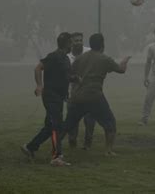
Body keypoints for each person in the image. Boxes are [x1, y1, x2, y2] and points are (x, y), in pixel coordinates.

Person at [64, 33, 131, 155]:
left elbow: (69, 74)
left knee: (68, 125)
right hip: (94, 96)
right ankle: (108, 150)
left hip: (77, 96)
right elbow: (121, 70)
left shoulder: (80, 58)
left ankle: (55, 147)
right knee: (110, 123)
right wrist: (125, 60)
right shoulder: (104, 59)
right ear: (102, 45)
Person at [20, 32, 73, 167]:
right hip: (51, 96)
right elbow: (38, 68)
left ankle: (30, 147)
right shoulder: (54, 56)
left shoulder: (65, 58)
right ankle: (56, 156)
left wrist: (74, 79)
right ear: (67, 43)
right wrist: (39, 85)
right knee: (56, 125)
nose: (72, 45)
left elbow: (65, 76)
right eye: (71, 42)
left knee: (50, 127)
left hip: (59, 97)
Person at [66, 32, 95, 149]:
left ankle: (88, 142)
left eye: (80, 40)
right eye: (76, 40)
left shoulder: (89, 51)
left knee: (90, 119)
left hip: (89, 91)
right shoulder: (67, 56)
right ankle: (72, 141)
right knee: (72, 119)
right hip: (73, 92)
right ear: (71, 42)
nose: (78, 42)